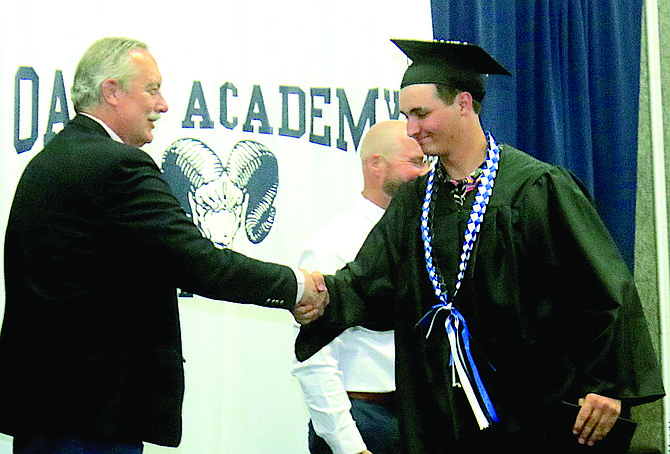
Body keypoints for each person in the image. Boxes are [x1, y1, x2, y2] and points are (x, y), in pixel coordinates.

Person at [295, 39, 664, 454]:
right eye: (406, 116)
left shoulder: (535, 189)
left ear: (464, 104)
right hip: (444, 416)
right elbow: (367, 283)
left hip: (532, 414)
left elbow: (600, 288)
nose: (412, 129)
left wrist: (605, 385)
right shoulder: (415, 203)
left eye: (421, 114)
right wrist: (310, 294)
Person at [0, 37, 326, 454]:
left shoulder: (53, 159)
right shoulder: (116, 165)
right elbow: (196, 262)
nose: (164, 104)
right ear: (112, 91)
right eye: (152, 89)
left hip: (52, 411)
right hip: (91, 420)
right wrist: (295, 286)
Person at [292, 120, 429, 454]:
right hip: (366, 421)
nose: (426, 173)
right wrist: (349, 446)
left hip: (420, 420)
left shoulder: (427, 236)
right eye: (416, 162)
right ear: (375, 164)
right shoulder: (332, 244)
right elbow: (315, 358)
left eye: (428, 162)